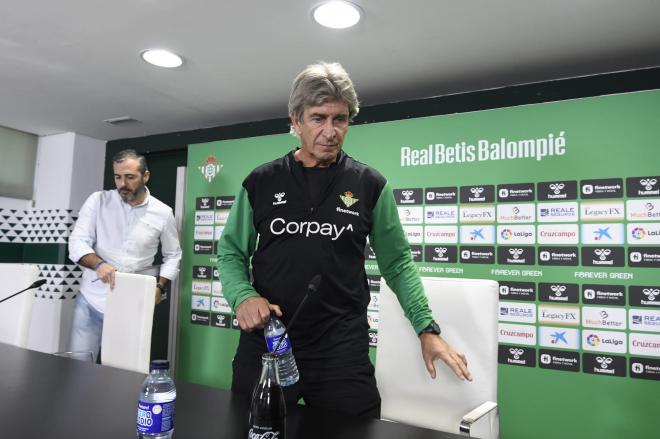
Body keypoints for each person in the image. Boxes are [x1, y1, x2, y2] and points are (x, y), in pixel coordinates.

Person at [218, 62, 471, 418]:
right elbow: (230, 253)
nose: (330, 131)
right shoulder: (260, 182)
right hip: (269, 342)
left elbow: (397, 263)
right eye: (318, 118)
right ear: (295, 121)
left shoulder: (370, 185)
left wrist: (426, 328)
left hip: (340, 349)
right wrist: (243, 296)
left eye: (340, 119)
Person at [67, 149, 182, 362]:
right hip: (91, 300)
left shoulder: (163, 212)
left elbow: (173, 254)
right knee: (78, 364)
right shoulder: (98, 201)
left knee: (125, 368)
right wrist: (99, 264)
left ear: (145, 176)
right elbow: (76, 243)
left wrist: (160, 287)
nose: (122, 184)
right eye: (118, 177)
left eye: (130, 177)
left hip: (133, 302)